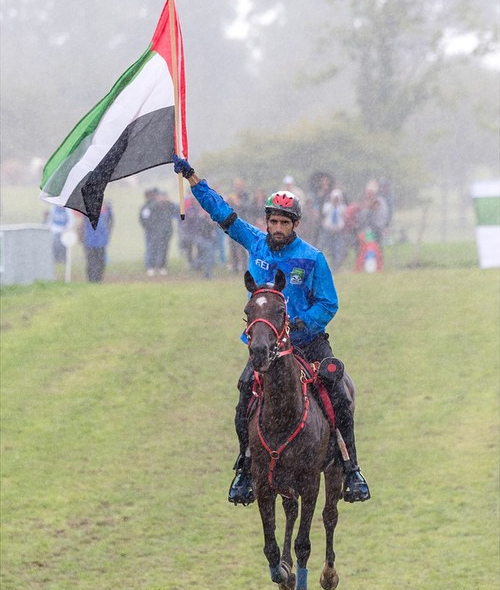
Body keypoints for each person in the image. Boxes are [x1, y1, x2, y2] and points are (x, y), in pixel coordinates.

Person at [173, 155, 371, 505]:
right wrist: (192, 179)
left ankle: (351, 468)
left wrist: (300, 323)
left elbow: (328, 303)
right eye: (272, 221)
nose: (276, 227)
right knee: (244, 394)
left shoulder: (313, 258)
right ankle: (244, 469)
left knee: (339, 392)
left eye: (283, 222)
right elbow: (222, 213)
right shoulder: (255, 241)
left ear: (295, 225)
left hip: (308, 344)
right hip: (267, 346)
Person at [139, 188, 178, 276]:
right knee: (152, 249)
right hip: (154, 233)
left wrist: (170, 202)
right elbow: (145, 217)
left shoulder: (169, 206)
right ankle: (150, 267)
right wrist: (151, 228)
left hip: (166, 233)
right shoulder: (152, 206)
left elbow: (177, 211)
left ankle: (162, 267)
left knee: (164, 250)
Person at [81, 200, 113, 283]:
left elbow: (110, 222)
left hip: (100, 241)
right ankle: (92, 279)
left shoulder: (107, 209)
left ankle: (97, 279)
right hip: (91, 241)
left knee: (99, 261)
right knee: (93, 261)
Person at [318, 189, 348, 272]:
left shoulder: (342, 208)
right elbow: (324, 214)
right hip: (328, 230)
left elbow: (344, 216)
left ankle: (336, 267)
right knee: (322, 246)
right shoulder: (327, 206)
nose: (336, 200)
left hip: (338, 231)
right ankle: (320, 265)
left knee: (337, 249)